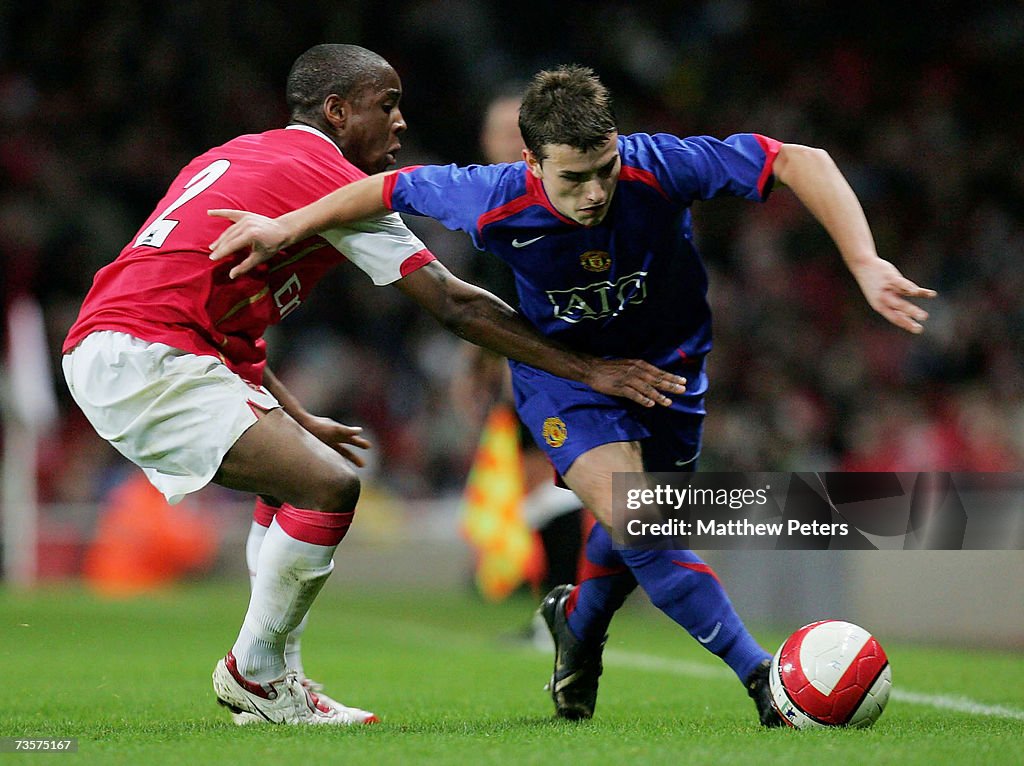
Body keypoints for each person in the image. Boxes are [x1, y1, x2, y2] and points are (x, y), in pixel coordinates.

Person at [206, 64, 936, 726]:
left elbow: (797, 160)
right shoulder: (490, 195)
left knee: (631, 532)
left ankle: (577, 629)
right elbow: (383, 187)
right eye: (573, 179)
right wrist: (287, 227)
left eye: (604, 171)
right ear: (530, 164)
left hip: (671, 375)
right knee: (643, 521)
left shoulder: (660, 166)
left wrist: (865, 261)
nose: (594, 193)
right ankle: (762, 681)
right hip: (566, 377)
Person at [61, 49, 686, 728]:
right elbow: (455, 307)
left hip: (124, 343)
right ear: (338, 111)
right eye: (384, 106)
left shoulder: (240, 155)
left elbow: (200, 303)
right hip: (151, 355)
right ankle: (257, 674)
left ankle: (275, 679)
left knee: (296, 480)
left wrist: (295, 415)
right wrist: (593, 369)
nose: (399, 122)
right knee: (329, 487)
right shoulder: (329, 178)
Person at [455, 87, 586, 634]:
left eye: (519, 132)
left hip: (560, 361)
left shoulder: (558, 202)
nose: (510, 141)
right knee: (546, 486)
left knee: (554, 483)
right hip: (522, 362)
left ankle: (565, 614)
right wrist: (478, 368)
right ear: (485, 141)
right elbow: (480, 299)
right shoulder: (487, 204)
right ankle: (560, 612)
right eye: (501, 132)